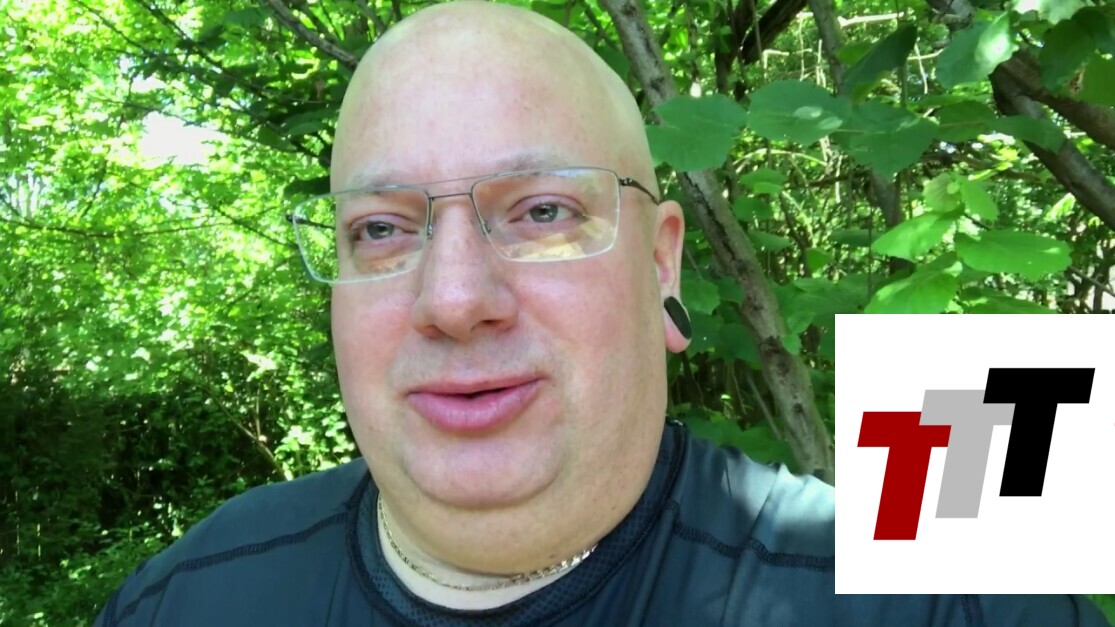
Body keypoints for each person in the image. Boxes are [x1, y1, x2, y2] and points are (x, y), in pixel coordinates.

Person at [95, 2, 1109, 625]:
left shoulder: (945, 594)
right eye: (383, 228)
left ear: (661, 261)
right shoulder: (186, 595)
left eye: (540, 212)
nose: (452, 300)